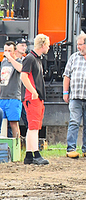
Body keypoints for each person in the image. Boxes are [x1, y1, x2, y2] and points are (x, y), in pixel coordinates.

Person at [20, 34, 50, 165]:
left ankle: (29, 155)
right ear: (43, 45)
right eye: (48, 45)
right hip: (32, 97)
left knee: (33, 127)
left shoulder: (35, 58)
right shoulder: (30, 58)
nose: (48, 47)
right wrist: (33, 92)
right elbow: (23, 76)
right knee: (33, 127)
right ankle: (36, 154)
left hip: (34, 96)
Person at [0, 41, 23, 139]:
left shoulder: (19, 61)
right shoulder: (3, 62)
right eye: (5, 50)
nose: (7, 52)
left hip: (13, 97)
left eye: (10, 50)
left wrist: (10, 58)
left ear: (15, 51)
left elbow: (20, 69)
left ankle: (17, 145)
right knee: (3, 123)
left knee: (14, 123)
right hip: (3, 96)